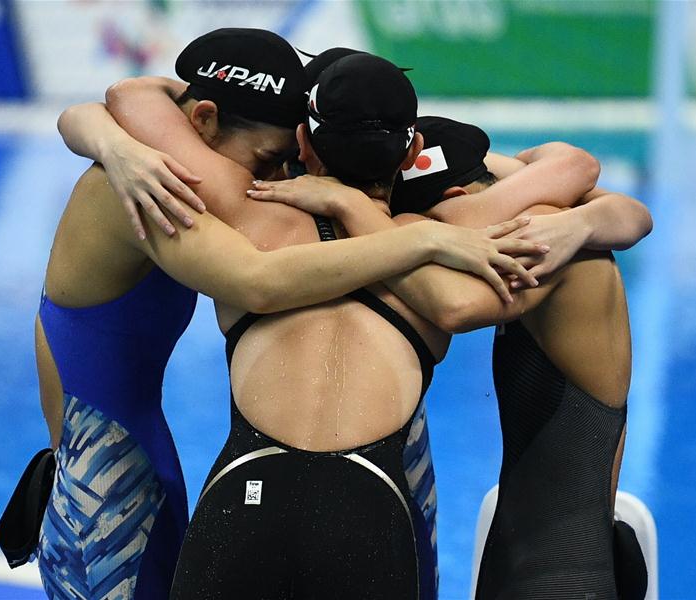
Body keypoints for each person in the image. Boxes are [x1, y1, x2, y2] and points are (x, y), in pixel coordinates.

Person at [35, 31, 541, 600]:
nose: (275, 182)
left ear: (307, 142)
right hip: (106, 478)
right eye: (267, 162)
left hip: (147, 465)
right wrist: (420, 239)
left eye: (286, 161)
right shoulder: (150, 186)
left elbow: (132, 95)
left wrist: (105, 134)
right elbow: (258, 283)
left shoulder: (233, 200)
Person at [249, 115, 652, 598]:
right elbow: (574, 176)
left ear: (459, 202)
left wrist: (352, 207)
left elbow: (452, 305)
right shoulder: (559, 220)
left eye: (428, 222)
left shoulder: (544, 240)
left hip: (563, 573)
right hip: (530, 559)